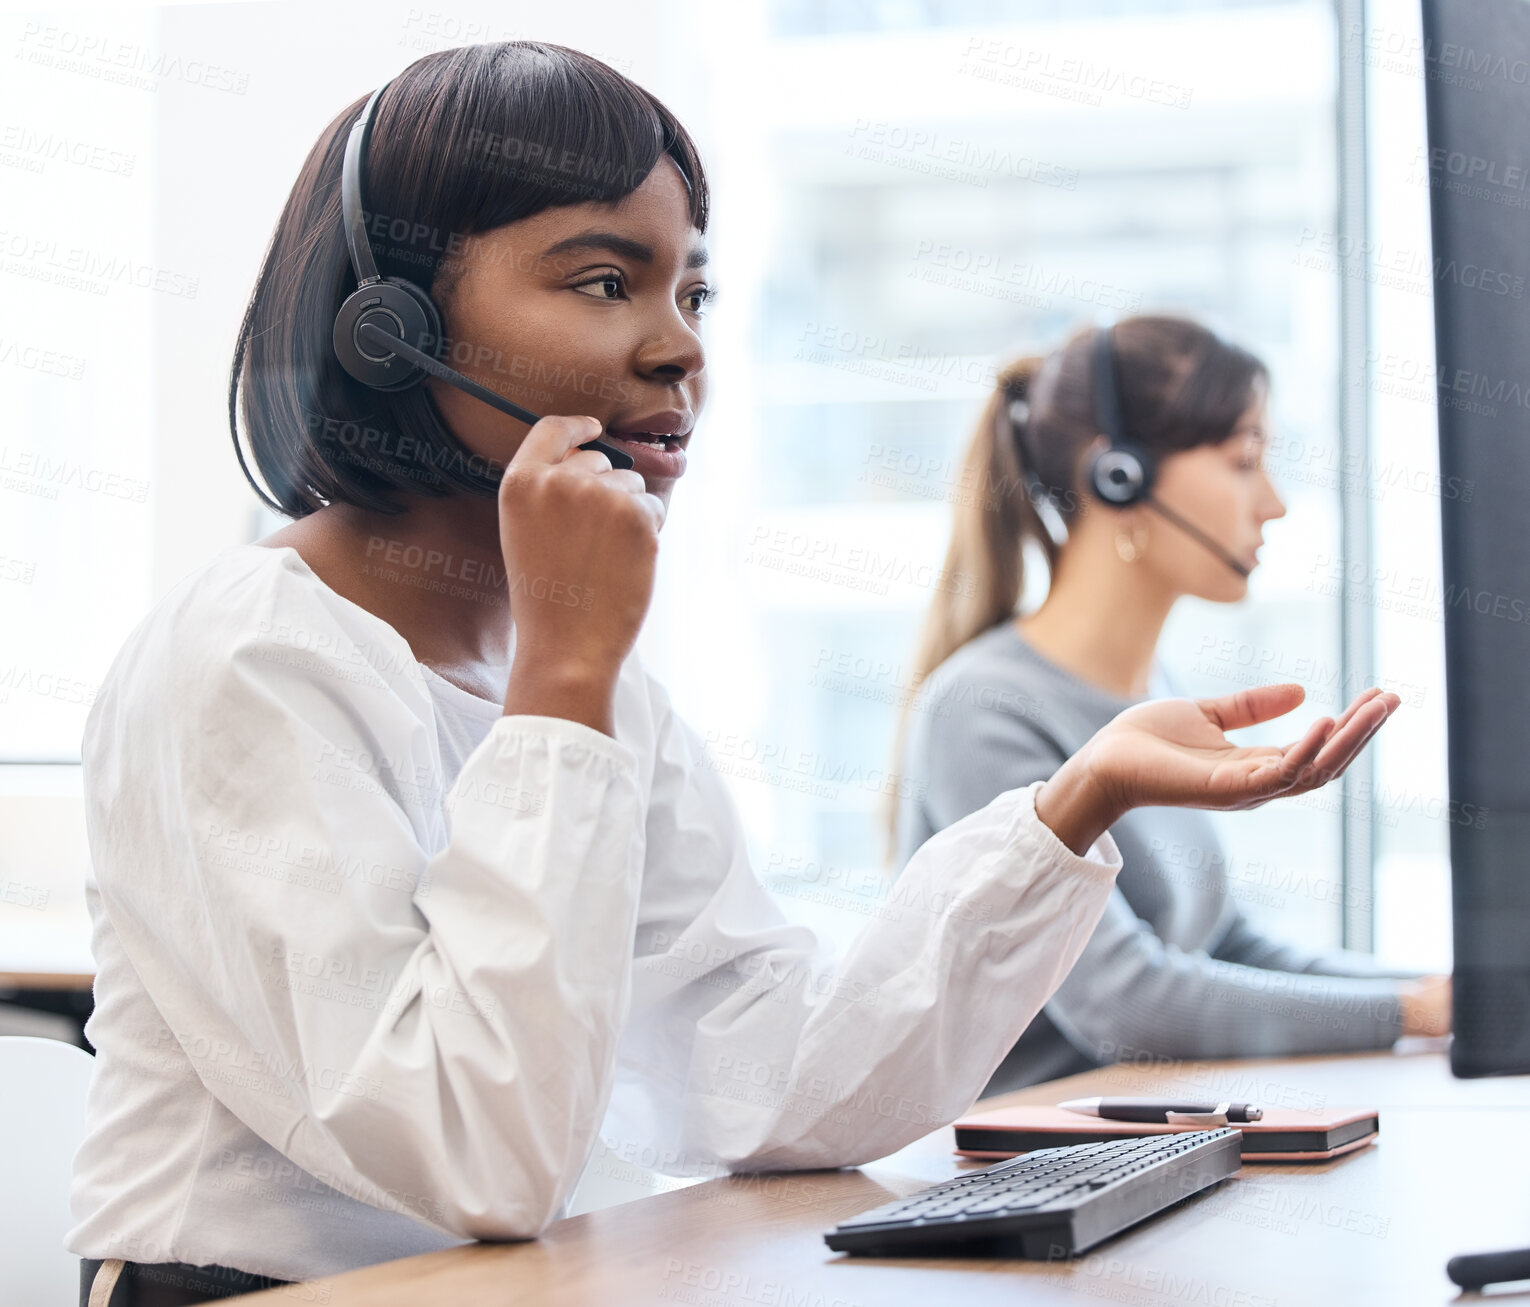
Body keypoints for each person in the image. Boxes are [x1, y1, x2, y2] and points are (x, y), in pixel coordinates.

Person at [66, 48, 1396, 1303]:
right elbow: (470, 1152)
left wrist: (1073, 803)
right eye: (603, 282)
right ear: (385, 326)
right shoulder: (248, 657)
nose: (679, 347)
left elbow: (773, 1082)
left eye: (690, 291)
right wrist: (568, 687)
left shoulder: (584, 688)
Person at [893, 316, 1447, 1095]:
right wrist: (1410, 1013)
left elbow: (1226, 944)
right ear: (1119, 474)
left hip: (1154, 1141)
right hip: (1023, 1175)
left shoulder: (1157, 692)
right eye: (1244, 460)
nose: (1276, 502)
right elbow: (1125, 1002)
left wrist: (1452, 993)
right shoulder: (982, 708)